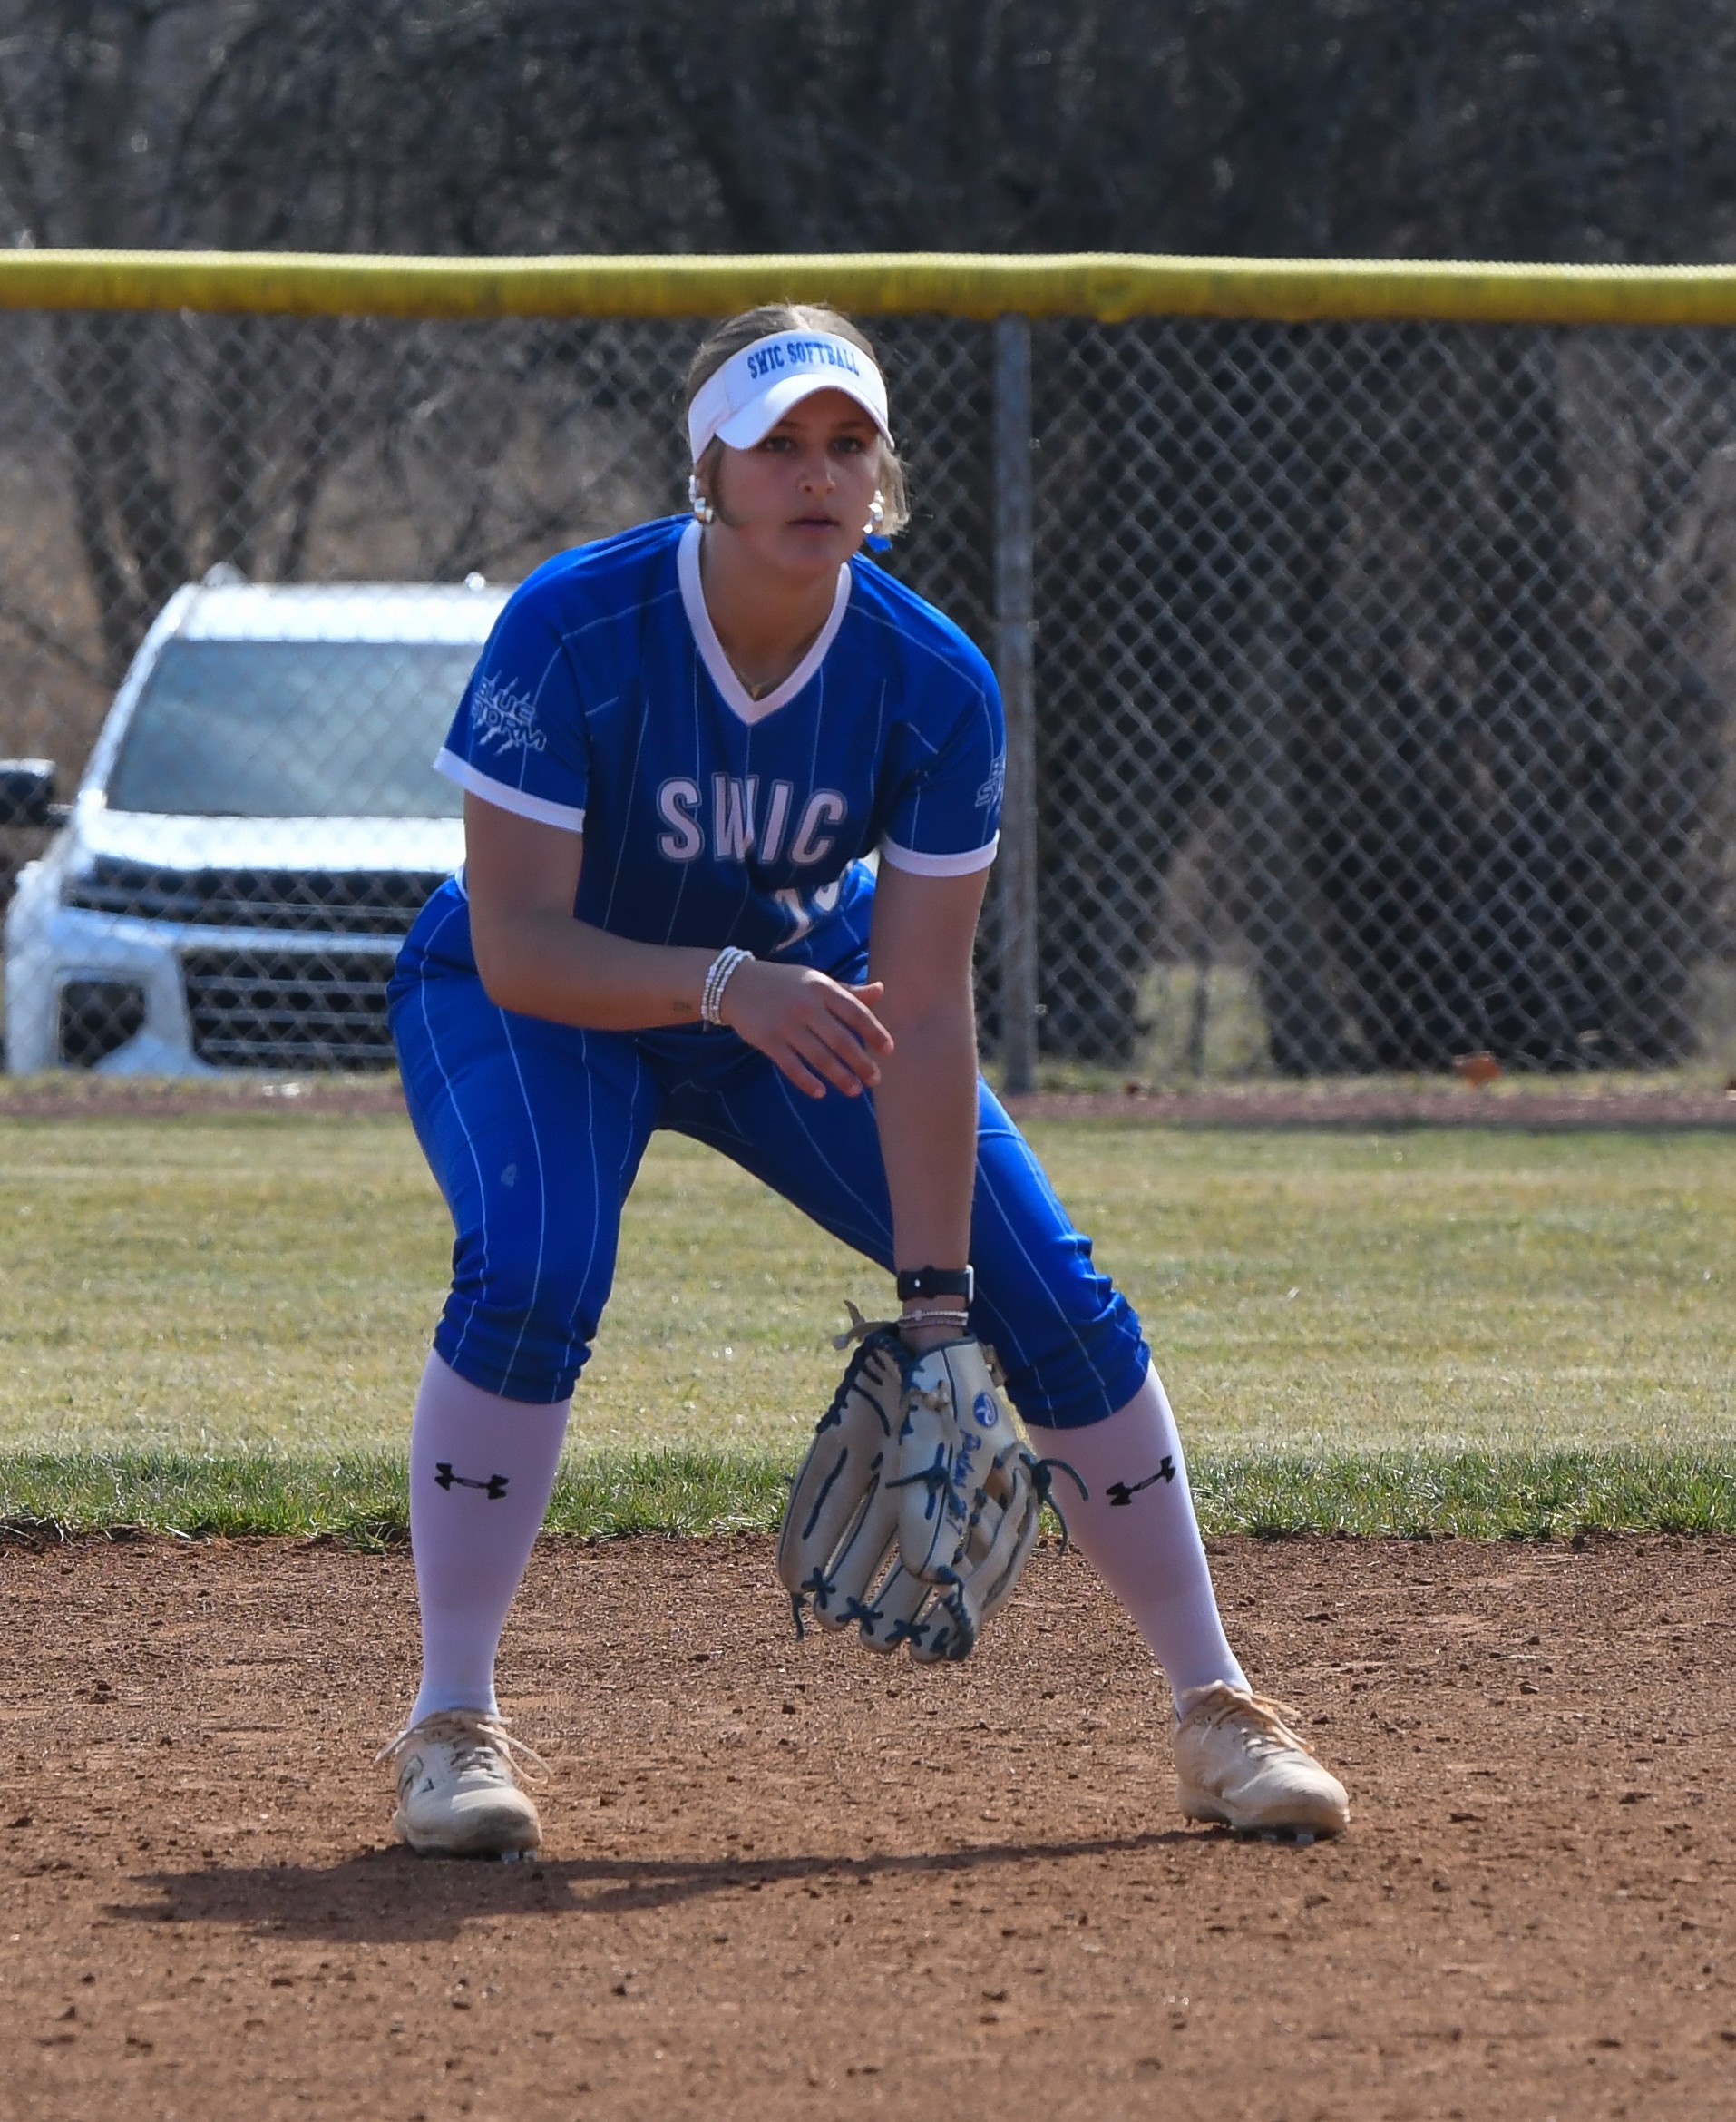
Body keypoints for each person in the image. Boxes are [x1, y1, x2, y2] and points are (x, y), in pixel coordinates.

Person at [380, 304, 1350, 1857]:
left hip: (802, 1000)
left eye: (848, 445)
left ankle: (1217, 1706)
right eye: (776, 443)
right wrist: (721, 987)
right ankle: (451, 1722)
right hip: (548, 998)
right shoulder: (574, 628)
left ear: (881, 480)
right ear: (707, 465)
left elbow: (927, 994)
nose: (814, 474)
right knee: (536, 1266)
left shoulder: (927, 678)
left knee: (1049, 1296)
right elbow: (516, 945)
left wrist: (936, 1300)